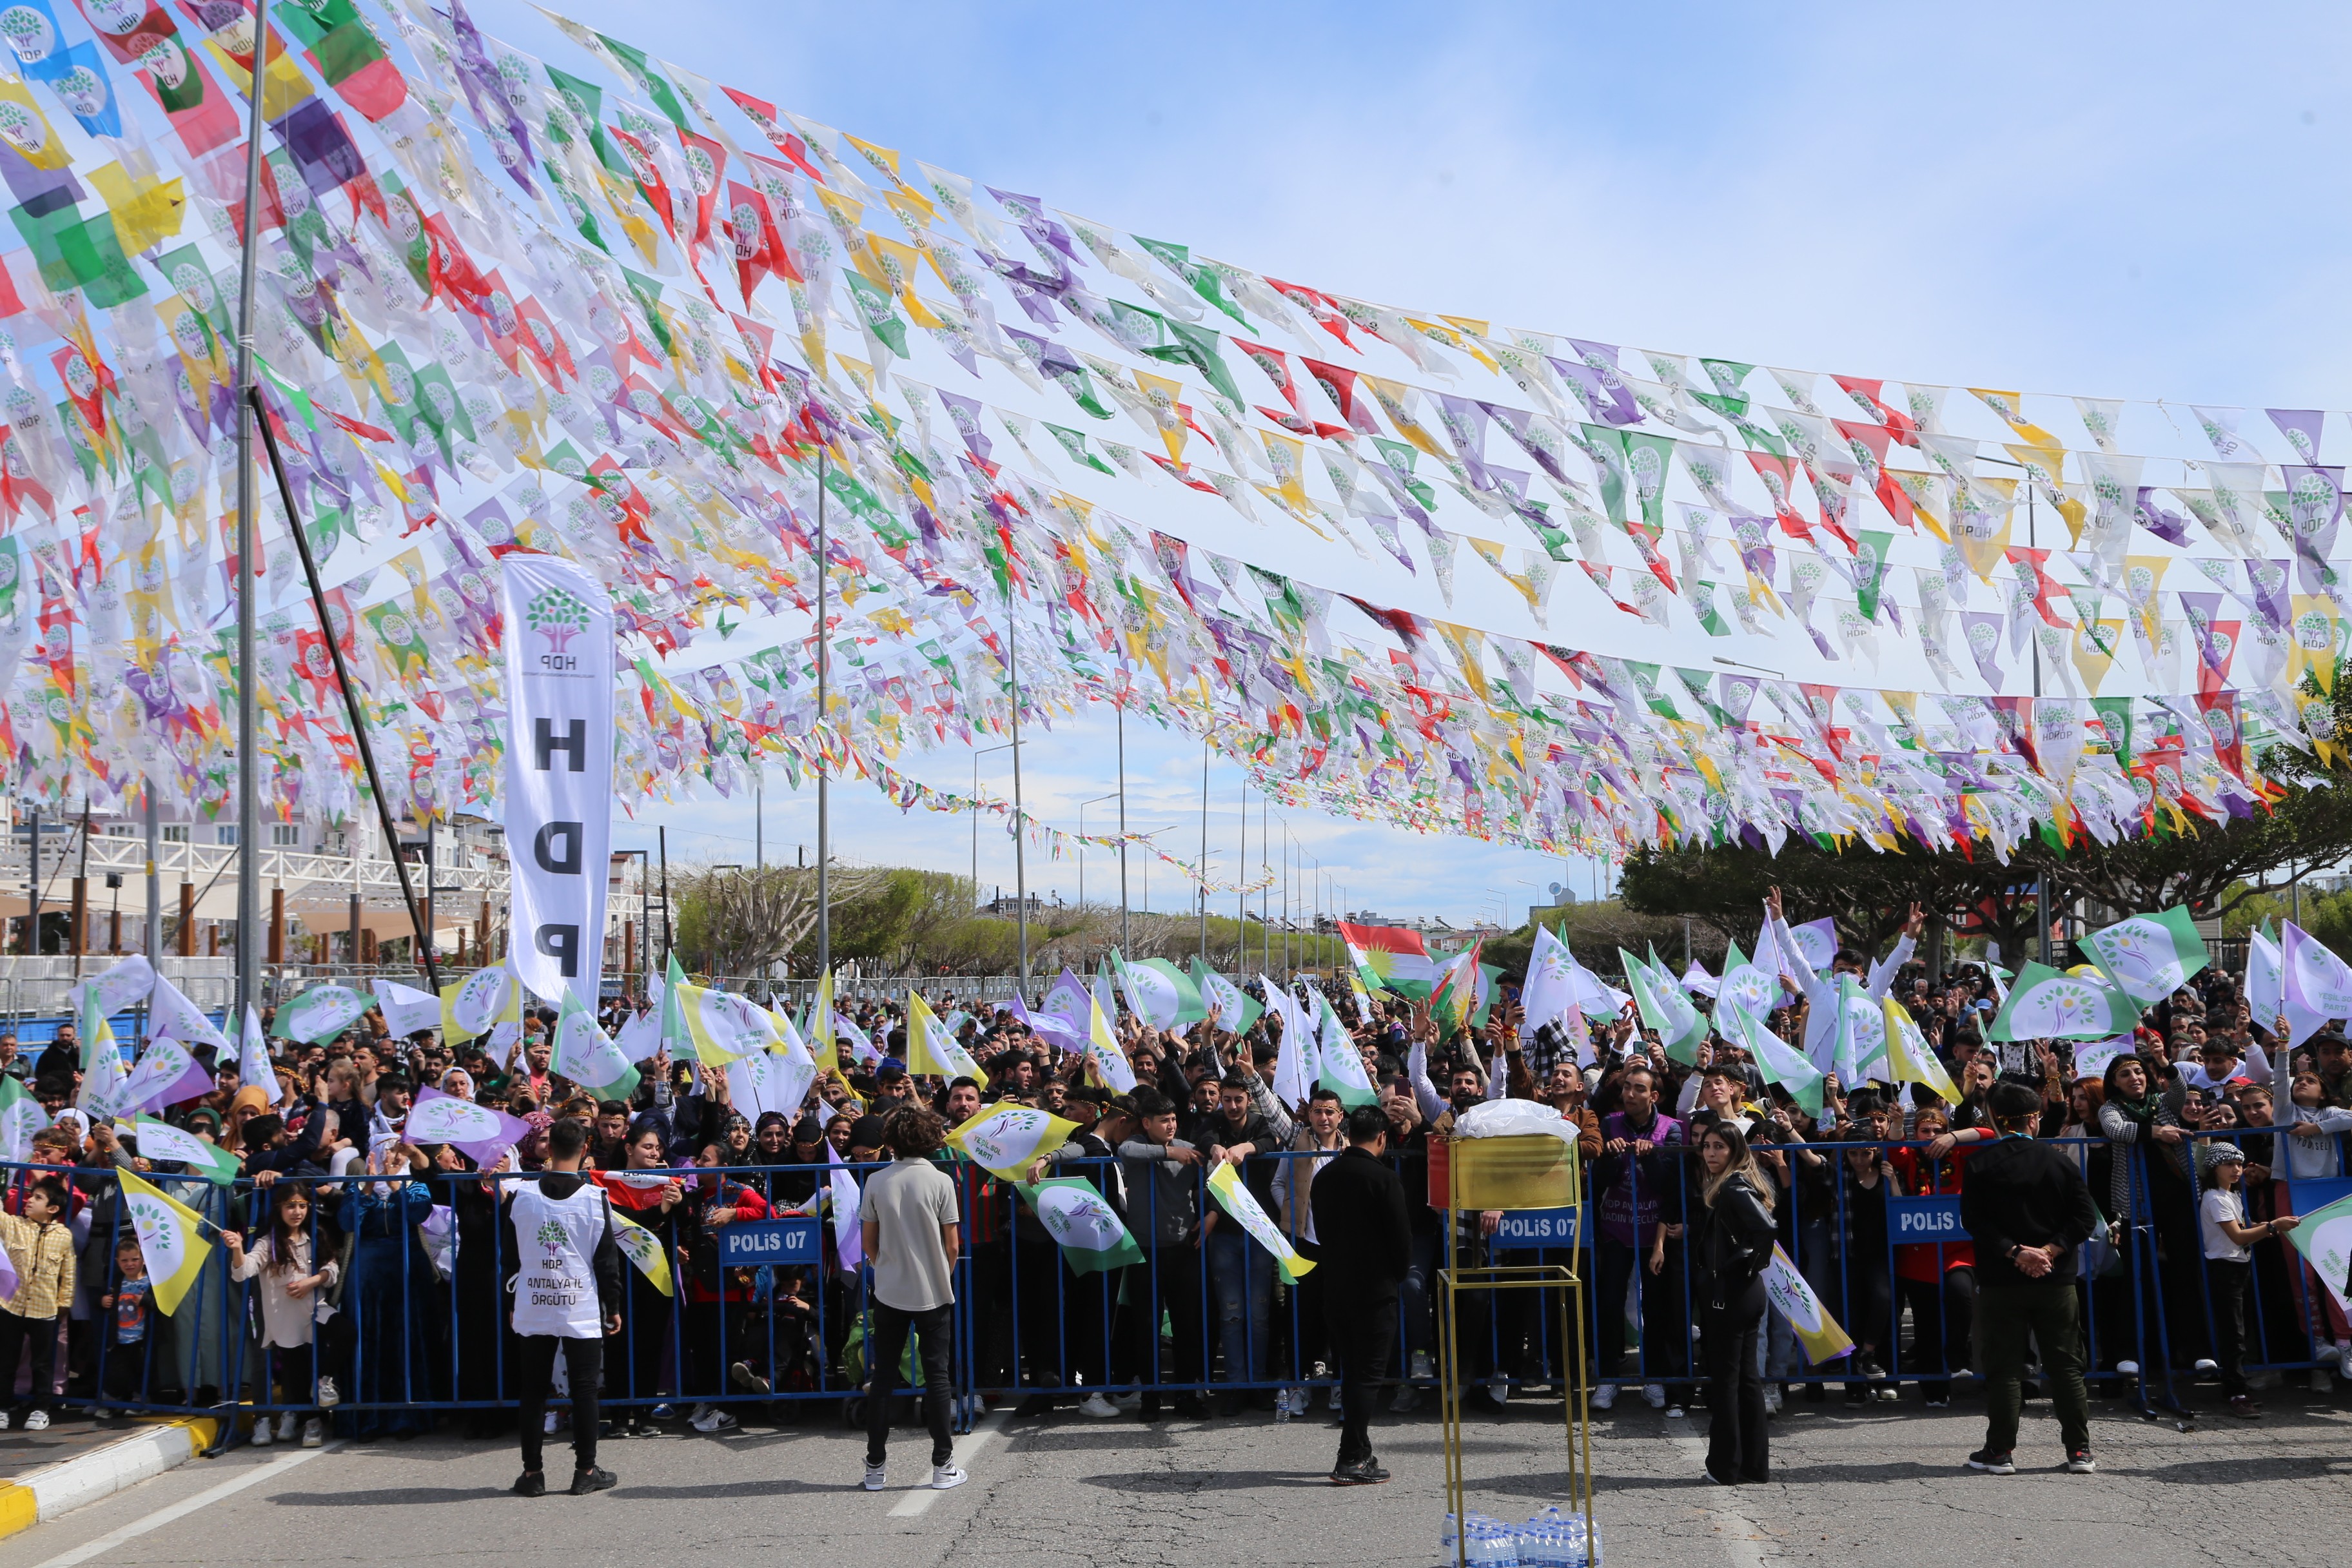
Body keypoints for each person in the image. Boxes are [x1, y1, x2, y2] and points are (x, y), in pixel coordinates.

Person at [1960, 1081, 2099, 1476]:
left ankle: (2000, 1451)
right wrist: (2050, 1252)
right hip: (2056, 1280)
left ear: (1994, 1120)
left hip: (2002, 1279)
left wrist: (2017, 1252)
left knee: (2004, 1367)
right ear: (2034, 1119)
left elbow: (1975, 1221)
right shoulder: (2059, 1161)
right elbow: (2084, 1218)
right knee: (2066, 1364)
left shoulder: (1980, 1164)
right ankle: (2080, 1451)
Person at [504, 1118, 622, 1497]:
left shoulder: (521, 1195)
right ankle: (585, 1470)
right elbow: (606, 1260)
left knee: (533, 1390)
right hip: (580, 1303)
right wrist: (613, 1305)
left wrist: (511, 1301)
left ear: (549, 1149)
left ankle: (532, 1474)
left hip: (533, 1300)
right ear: (585, 1149)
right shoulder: (594, 1198)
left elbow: (510, 1256)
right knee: (585, 1389)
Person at [858, 1104, 966, 1494]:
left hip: (889, 1289)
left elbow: (869, 1244)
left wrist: (887, 1267)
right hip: (934, 1290)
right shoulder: (941, 1180)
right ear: (931, 1138)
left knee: (883, 1377)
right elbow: (952, 1245)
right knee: (937, 1375)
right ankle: (943, 1464)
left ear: (891, 1139)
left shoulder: (876, 1181)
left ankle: (875, 1467)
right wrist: (940, 1273)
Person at [1306, 1104, 1409, 1485]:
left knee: (1351, 1373)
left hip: (1335, 1285)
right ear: (1382, 1137)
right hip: (1374, 1290)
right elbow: (1401, 1239)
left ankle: (1360, 1450)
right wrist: (1396, 1276)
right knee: (1366, 1376)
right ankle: (1350, 1456)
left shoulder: (1326, 1176)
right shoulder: (1384, 1180)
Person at [223, 1182, 338, 1447]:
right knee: (268, 1361)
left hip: (312, 1314)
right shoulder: (268, 1242)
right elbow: (244, 1271)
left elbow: (331, 1269)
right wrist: (238, 1248)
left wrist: (311, 1281)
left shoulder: (316, 1235)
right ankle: (263, 1419)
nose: (297, 1211)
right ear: (279, 1209)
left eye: (302, 1205)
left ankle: (302, 1416)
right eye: (290, 1206)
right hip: (277, 1317)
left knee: (312, 1362)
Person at [1694, 1122, 1776, 1485]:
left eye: (1719, 1148)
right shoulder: (1733, 1183)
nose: (1711, 1153)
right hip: (1742, 1291)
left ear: (1735, 1151)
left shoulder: (1733, 1185)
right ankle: (1753, 1467)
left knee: (1727, 1382)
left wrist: (1746, 1265)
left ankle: (1725, 1467)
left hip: (1732, 1292)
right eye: (1707, 1146)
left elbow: (1766, 1228)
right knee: (1745, 1380)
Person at [2199, 1143, 2297, 1418]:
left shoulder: (2232, 1195)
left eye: (2239, 1164)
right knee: (2234, 1335)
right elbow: (2239, 1237)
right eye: (2228, 1164)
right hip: (2224, 1268)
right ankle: (2236, 1392)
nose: (2236, 1169)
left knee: (2241, 1332)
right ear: (2214, 1167)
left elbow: (2246, 1227)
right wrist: (2274, 1226)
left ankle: (2236, 1388)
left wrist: (2274, 1224)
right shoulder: (2215, 1198)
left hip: (2239, 1267)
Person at [0, 1177, 75, 1430]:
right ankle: (3, 1406)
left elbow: (69, 1270)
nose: (29, 1200)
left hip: (44, 1309)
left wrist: (64, 1302)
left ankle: (41, 1408)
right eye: (31, 1196)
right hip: (11, 1305)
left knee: (42, 1363)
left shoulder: (64, 1235)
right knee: (6, 1359)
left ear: (53, 1209)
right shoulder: (14, 1225)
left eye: (38, 1198)